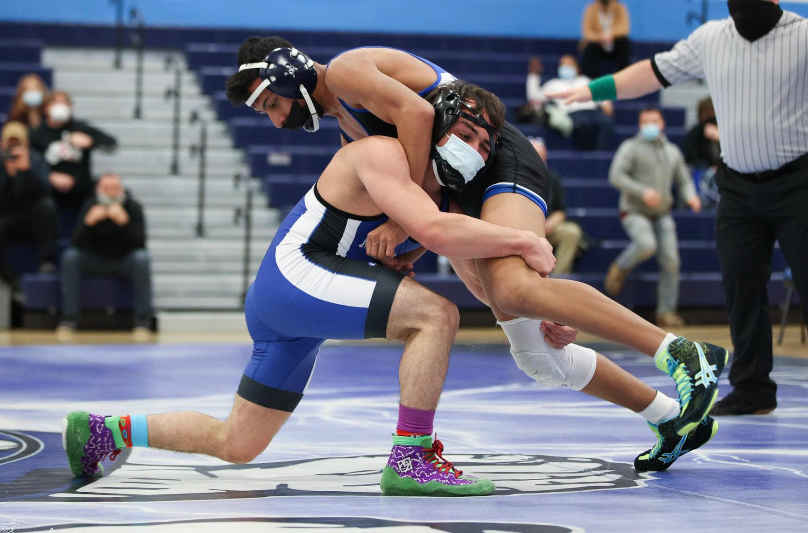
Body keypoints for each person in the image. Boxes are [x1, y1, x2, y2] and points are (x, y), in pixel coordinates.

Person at [230, 47, 728, 468]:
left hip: (488, 155)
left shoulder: (345, 72)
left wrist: (411, 224)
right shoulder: (344, 124)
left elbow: (422, 118)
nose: (277, 119)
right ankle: (668, 417)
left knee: (515, 289)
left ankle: (683, 353)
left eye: (273, 104)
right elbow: (416, 182)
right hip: (457, 188)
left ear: (290, 74)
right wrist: (421, 241)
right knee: (537, 354)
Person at [63, 90, 558, 495]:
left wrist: (527, 313)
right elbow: (435, 230)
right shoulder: (382, 153)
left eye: (485, 145)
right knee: (436, 316)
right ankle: (410, 457)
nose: (474, 150)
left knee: (238, 443)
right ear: (439, 124)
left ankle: (109, 429)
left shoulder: (435, 189)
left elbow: (464, 259)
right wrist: (526, 239)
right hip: (296, 274)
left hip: (286, 298)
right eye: (465, 135)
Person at [546, 0, 807, 416]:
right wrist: (595, 90)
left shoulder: (803, 35)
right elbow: (652, 71)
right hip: (738, 185)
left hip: (799, 181)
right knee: (741, 285)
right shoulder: (710, 38)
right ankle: (753, 387)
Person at [604, 107, 701, 328]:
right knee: (646, 244)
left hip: (662, 214)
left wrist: (691, 197)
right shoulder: (630, 148)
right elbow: (615, 175)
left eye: (654, 121)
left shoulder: (673, 151)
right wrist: (642, 192)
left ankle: (666, 312)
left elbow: (684, 180)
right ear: (640, 125)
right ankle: (620, 266)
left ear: (662, 123)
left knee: (671, 260)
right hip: (634, 211)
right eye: (645, 121)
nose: (650, 125)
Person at [56, 173, 153, 336]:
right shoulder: (90, 205)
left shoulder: (133, 207)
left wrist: (125, 223)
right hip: (95, 259)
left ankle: (142, 320)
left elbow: (140, 244)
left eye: (115, 189)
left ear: (121, 189)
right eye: (106, 189)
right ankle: (69, 318)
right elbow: (76, 242)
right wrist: (88, 223)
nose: (111, 193)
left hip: (124, 260)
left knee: (142, 259)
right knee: (70, 257)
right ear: (98, 190)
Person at [0, 121, 56, 292]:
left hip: (30, 220)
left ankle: (47, 262)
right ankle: (12, 281)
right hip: (1, 220)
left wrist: (25, 172)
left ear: (26, 144)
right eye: (9, 143)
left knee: (47, 206)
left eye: (18, 144)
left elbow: (44, 193)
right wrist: (7, 176)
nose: (12, 150)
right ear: (1, 143)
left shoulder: (36, 160)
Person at [29, 91, 118, 214]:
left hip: (82, 189)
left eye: (65, 103)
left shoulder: (80, 128)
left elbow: (111, 144)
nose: (61, 106)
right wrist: (49, 176)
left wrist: (91, 142)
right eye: (56, 102)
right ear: (46, 108)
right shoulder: (37, 134)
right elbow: (30, 164)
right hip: (50, 190)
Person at [527, 55, 614, 150]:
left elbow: (598, 92)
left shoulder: (585, 80)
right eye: (563, 65)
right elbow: (535, 97)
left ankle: (599, 155)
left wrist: (606, 103)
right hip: (574, 113)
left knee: (606, 123)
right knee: (583, 125)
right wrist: (533, 75)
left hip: (593, 111)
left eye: (570, 64)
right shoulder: (553, 84)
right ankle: (587, 155)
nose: (566, 67)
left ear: (577, 67)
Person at [529, 137, 585, 274]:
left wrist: (550, 223)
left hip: (546, 228)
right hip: (525, 228)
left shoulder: (552, 178)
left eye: (540, 155)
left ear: (545, 156)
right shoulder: (516, 175)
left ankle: (558, 278)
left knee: (572, 232)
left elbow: (561, 211)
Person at [683, 97, 722, 209]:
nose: (709, 117)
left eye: (712, 113)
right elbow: (689, 154)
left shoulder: (726, 133)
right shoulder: (695, 132)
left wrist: (720, 137)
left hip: (723, 170)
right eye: (706, 113)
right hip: (701, 169)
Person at [580, 0, 632, 78]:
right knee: (590, 48)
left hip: (614, 43)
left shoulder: (619, 8)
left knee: (624, 43)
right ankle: (591, 80)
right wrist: (600, 37)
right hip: (598, 44)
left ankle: (624, 78)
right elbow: (587, 32)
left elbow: (624, 28)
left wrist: (611, 35)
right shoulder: (591, 9)